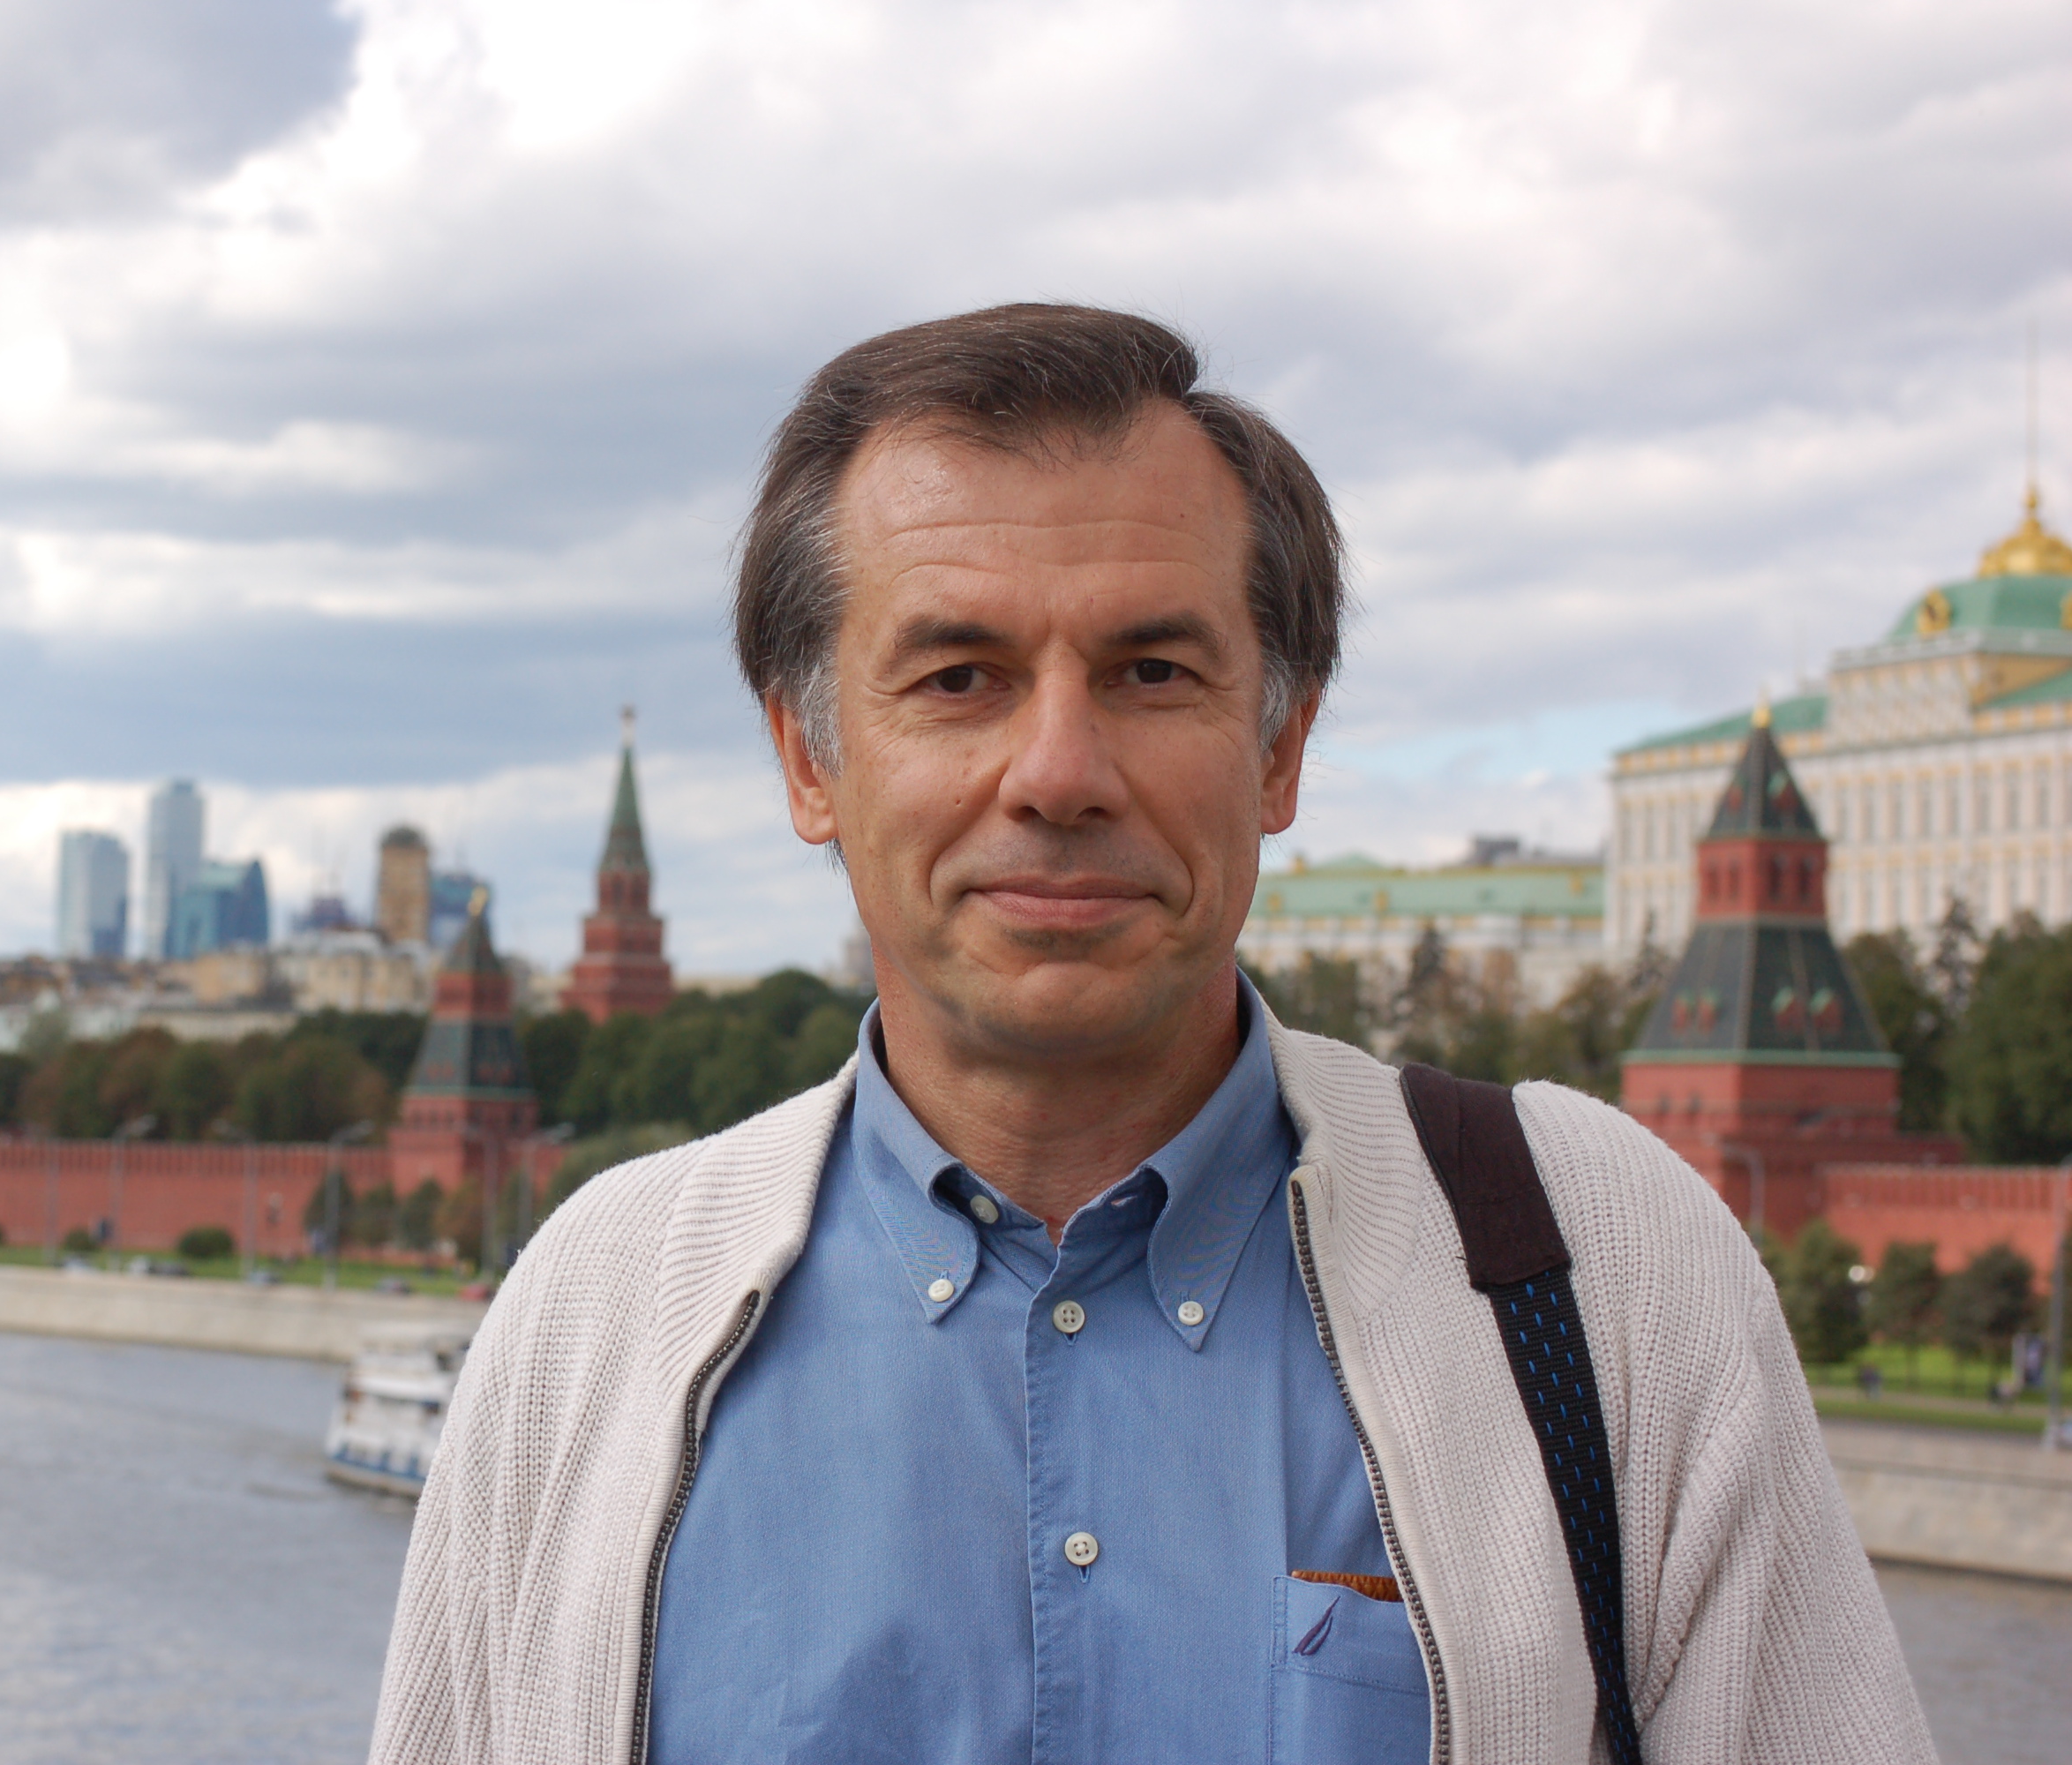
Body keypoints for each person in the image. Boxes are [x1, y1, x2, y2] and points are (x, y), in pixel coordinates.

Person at [371, 304, 1931, 1762]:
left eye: (1153, 672)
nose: (1059, 772)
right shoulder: (597, 1313)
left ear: (1280, 748)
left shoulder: (1592, 1267)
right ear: (810, 762)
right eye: (960, 676)